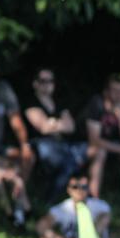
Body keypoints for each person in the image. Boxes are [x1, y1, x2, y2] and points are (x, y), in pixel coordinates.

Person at [23, 68, 89, 200]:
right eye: (43, 81)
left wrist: (52, 123)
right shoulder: (31, 102)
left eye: (50, 81)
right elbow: (43, 128)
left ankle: (53, 194)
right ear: (35, 83)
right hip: (41, 144)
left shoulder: (59, 102)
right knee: (61, 156)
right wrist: (59, 124)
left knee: (87, 149)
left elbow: (71, 127)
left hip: (63, 145)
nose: (47, 84)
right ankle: (54, 195)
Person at [84, 73, 120, 207]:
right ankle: (94, 201)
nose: (119, 94)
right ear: (106, 92)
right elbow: (94, 140)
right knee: (100, 153)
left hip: (114, 146)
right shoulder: (97, 104)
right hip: (88, 146)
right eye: (115, 90)